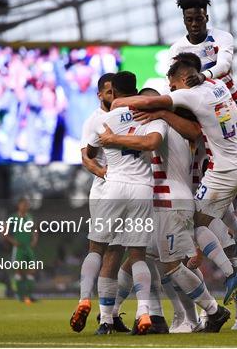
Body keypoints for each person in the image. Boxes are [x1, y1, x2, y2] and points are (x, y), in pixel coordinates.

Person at [111, 54, 237, 308]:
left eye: (172, 84)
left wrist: (120, 104)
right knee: (156, 257)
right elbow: (219, 73)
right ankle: (236, 244)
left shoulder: (181, 108)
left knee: (178, 249)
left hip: (196, 188)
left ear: (182, 78)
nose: (171, 88)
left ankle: (222, 290)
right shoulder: (214, 86)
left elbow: (155, 106)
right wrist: (205, 75)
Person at [100, 88, 231, 333]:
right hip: (170, 203)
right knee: (137, 259)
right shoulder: (179, 128)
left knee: (172, 266)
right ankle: (113, 312)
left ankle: (213, 311)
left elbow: (148, 143)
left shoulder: (160, 124)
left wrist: (112, 139)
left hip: (169, 204)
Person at [71, 71, 166, 335]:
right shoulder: (150, 117)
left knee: (97, 249)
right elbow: (152, 143)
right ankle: (144, 312)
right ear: (135, 90)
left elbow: (89, 154)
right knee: (137, 256)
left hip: (112, 187)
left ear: (115, 93)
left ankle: (85, 300)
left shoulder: (104, 121)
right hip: (142, 189)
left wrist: (110, 141)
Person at [170, 0, 237, 256]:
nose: (194, 23)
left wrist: (203, 75)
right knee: (213, 174)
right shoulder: (176, 49)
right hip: (203, 119)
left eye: (198, 18)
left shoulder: (221, 37)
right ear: (184, 20)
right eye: (189, 19)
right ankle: (231, 238)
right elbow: (174, 82)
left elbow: (225, 64)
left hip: (230, 112)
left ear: (206, 16)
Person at [71, 72, 130, 334]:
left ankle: (105, 311)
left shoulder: (126, 114)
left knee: (112, 251)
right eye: (108, 91)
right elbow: (87, 157)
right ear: (99, 95)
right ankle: (100, 310)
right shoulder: (94, 121)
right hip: (106, 190)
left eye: (115, 90)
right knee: (106, 249)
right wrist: (103, 172)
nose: (112, 95)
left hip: (124, 191)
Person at [4, 197, 38, 304]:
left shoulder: (29, 217)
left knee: (31, 272)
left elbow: (35, 229)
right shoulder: (13, 217)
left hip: (28, 248)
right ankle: (19, 296)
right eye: (23, 204)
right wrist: (13, 241)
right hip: (18, 248)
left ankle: (29, 295)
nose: (25, 206)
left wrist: (35, 239)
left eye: (26, 204)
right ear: (19, 205)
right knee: (19, 272)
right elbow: (4, 231)